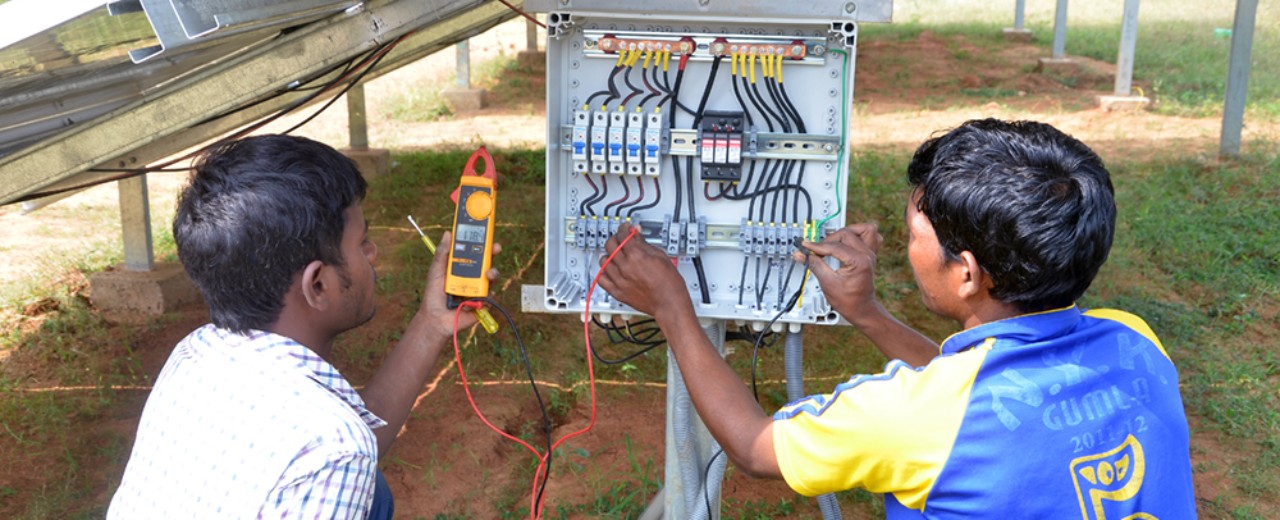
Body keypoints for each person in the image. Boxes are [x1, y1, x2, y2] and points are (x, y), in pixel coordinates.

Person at [598, 119, 1196, 517]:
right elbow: (990, 392)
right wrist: (866, 312)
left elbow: (756, 449)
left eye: (915, 232)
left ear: (965, 271)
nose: (905, 243)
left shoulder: (911, 417)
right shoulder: (1136, 341)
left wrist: (672, 306)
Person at [108, 134, 496, 518]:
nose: (373, 253)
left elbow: (336, 445)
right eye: (363, 243)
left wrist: (431, 324)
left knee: (372, 492)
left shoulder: (196, 352)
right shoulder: (334, 449)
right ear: (318, 285)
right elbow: (337, 450)